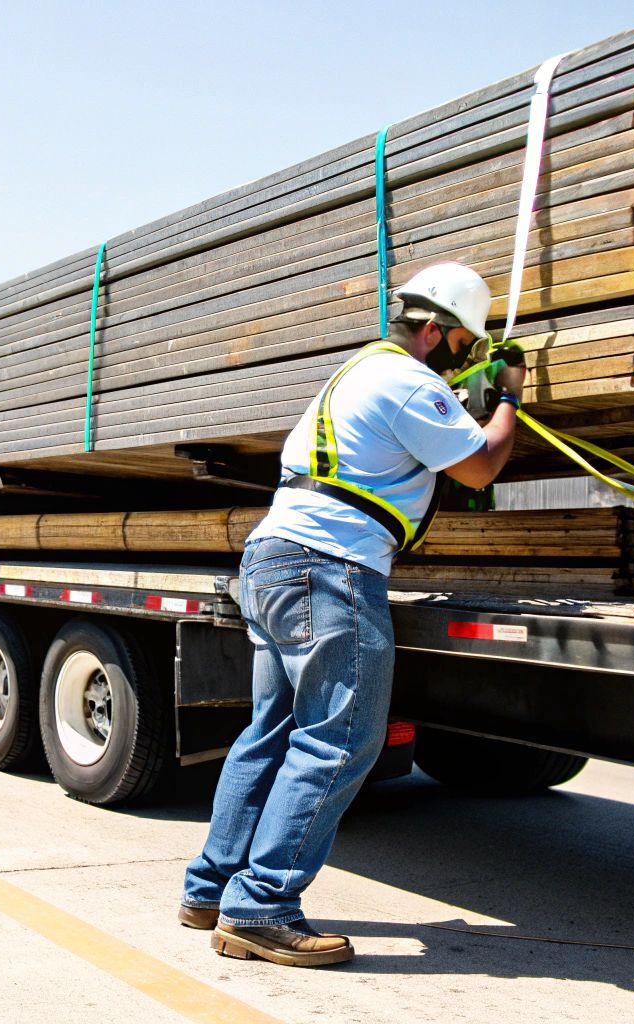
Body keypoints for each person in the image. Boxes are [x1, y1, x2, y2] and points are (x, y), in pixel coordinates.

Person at [179, 261, 524, 967]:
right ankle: (263, 907)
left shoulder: (361, 372)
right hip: (330, 567)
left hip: (276, 556)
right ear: (436, 328)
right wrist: (511, 398)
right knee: (339, 741)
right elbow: (481, 466)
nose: (471, 354)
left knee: (270, 733)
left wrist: (463, 395)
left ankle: (211, 888)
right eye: (467, 341)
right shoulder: (407, 381)